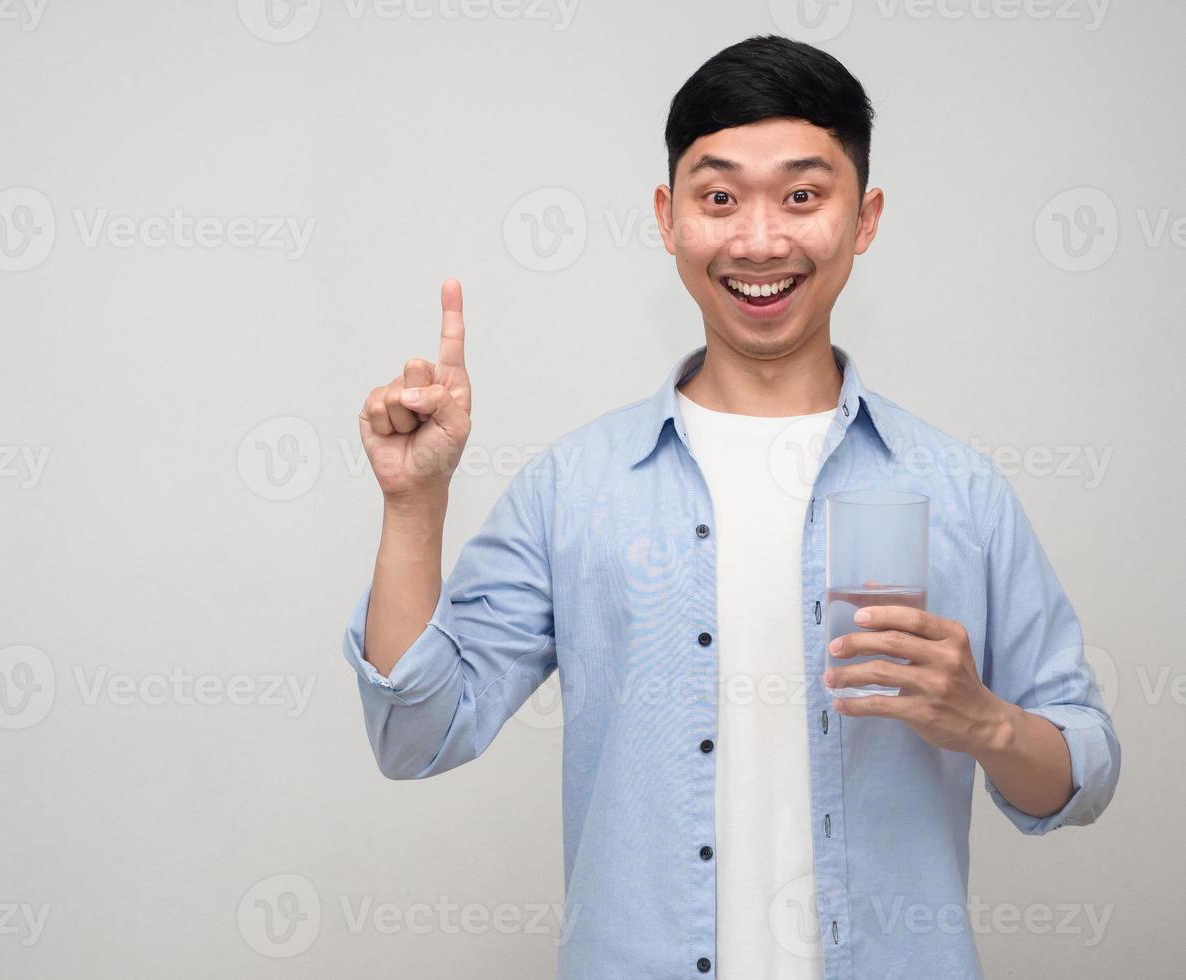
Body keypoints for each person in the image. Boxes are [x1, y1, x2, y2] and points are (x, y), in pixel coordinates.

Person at [343, 34, 1120, 980]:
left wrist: (984, 722)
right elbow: (414, 733)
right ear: (668, 219)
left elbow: (1083, 770)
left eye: (802, 195)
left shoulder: (954, 489)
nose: (758, 241)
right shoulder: (576, 486)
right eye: (719, 198)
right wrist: (415, 504)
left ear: (863, 216)